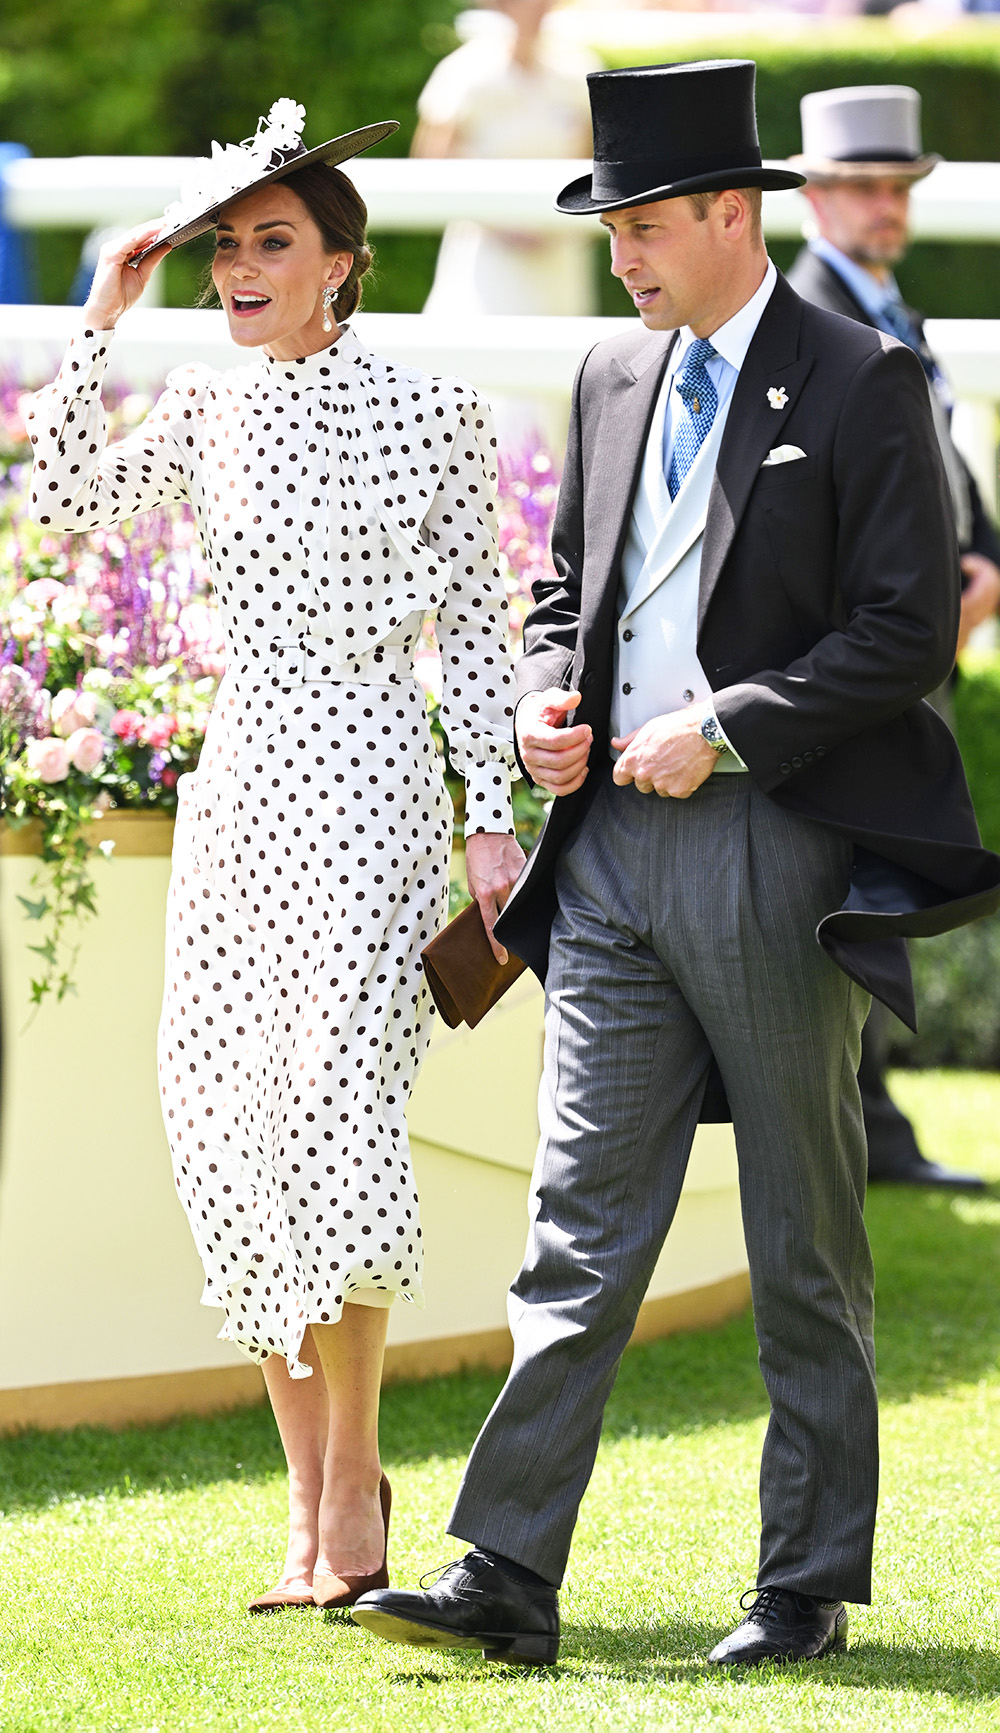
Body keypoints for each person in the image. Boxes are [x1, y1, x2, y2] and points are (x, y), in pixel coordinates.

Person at [351, 59, 1000, 1669]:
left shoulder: (864, 381)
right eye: (612, 223)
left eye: (643, 222)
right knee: (579, 1219)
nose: (621, 251)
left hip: (779, 850)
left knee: (803, 1233)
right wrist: (542, 699)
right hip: (615, 858)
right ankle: (505, 1571)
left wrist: (729, 725)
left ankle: (804, 1588)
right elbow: (567, 586)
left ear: (729, 212)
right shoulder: (606, 375)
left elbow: (908, 637)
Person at [25, 100, 523, 1615]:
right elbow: (57, 500)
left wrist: (490, 814)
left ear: (344, 264)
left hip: (371, 780)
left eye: (274, 241)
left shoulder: (435, 414)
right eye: (227, 245)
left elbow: (480, 633)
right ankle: (303, 1500)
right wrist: (99, 318)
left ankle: (357, 1482)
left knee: (338, 1117)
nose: (241, 267)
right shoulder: (200, 403)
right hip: (240, 786)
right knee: (231, 1116)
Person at [787, 84, 997, 1191]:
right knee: (863, 879)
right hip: (877, 647)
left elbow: (946, 458)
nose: (885, 205)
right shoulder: (822, 315)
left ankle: (872, 1116)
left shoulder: (889, 303)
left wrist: (987, 560)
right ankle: (862, 1121)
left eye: (896, 186)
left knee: (888, 878)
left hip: (928, 636)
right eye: (863, 187)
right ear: (814, 198)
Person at [413, 0, 596, 320]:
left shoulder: (577, 69)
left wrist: (559, 223)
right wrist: (502, 223)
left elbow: (590, 158)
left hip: (557, 253)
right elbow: (433, 160)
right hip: (486, 256)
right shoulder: (464, 71)